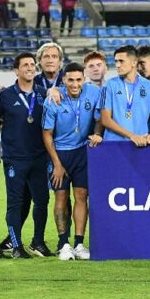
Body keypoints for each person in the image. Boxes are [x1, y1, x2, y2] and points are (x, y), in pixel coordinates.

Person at [41, 62, 102, 260]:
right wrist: (57, 164)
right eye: (70, 80)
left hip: (83, 152)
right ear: (63, 80)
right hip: (60, 153)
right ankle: (63, 243)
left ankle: (78, 244)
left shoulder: (93, 93)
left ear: (83, 78)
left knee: (82, 196)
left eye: (78, 79)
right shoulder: (53, 99)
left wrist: (96, 133)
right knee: (60, 197)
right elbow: (47, 134)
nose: (75, 84)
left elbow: (100, 118)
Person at [0, 53, 51, 258]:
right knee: (15, 203)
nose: (29, 67)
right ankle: (16, 246)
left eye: (32, 64)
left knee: (42, 200)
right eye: (25, 65)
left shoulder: (44, 94)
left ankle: (38, 242)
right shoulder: (5, 96)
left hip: (38, 157)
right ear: (16, 70)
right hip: (14, 160)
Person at [99, 45, 150, 146]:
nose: (117, 65)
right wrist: (132, 136)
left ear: (134, 63)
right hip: (114, 144)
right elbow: (105, 119)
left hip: (141, 142)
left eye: (121, 61)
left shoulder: (149, 86)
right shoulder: (109, 85)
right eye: (116, 61)